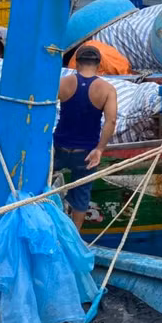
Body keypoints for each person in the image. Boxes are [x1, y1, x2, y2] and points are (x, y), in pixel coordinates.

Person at [53, 45, 118, 229]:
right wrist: (100, 149)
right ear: (99, 65)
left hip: (59, 147)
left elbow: (45, 108)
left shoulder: (62, 83)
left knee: (45, 189)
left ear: (76, 63)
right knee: (81, 196)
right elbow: (111, 121)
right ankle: (74, 240)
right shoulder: (107, 89)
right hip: (86, 152)